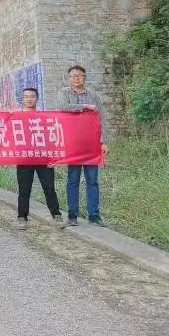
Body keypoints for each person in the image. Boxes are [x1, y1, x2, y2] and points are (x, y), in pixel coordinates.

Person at [58, 65, 109, 227]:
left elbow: (102, 119)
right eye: (73, 76)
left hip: (92, 145)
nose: (76, 78)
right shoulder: (64, 94)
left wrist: (104, 141)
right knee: (72, 180)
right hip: (73, 144)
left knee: (92, 180)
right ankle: (72, 215)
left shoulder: (94, 96)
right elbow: (62, 108)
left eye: (79, 75)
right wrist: (85, 107)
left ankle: (94, 215)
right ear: (68, 79)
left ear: (85, 77)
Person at [16, 87, 66, 230]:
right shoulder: (16, 117)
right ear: (23, 99)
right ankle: (22, 217)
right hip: (24, 158)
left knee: (49, 188)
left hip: (43, 157)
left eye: (32, 96)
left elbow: (52, 137)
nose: (29, 99)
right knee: (24, 190)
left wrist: (54, 157)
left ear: (37, 98)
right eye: (26, 96)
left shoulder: (44, 116)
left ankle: (56, 215)